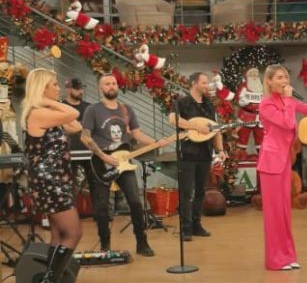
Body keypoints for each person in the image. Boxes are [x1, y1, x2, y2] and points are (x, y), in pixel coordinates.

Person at [257, 65, 307, 271]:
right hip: (271, 163)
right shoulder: (266, 104)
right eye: (279, 78)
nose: (284, 81)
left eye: (286, 77)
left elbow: (305, 108)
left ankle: (287, 256)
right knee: (274, 214)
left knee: (285, 212)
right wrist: (288, 101)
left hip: (284, 161)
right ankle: (275, 260)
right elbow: (286, 123)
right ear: (269, 81)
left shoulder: (287, 100)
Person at [80, 74, 170, 255]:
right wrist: (103, 156)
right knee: (102, 206)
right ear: (100, 88)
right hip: (101, 162)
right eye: (107, 84)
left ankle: (142, 243)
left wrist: (156, 142)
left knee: (136, 202)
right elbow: (85, 137)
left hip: (124, 162)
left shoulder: (126, 110)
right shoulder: (93, 110)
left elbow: (136, 134)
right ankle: (105, 245)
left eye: (114, 83)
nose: (111, 86)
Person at [22, 68, 82, 283]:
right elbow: (75, 112)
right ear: (42, 88)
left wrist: (52, 103)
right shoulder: (38, 113)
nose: (59, 88)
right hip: (50, 181)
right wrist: (49, 102)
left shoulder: (47, 113)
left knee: (58, 234)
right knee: (73, 233)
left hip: (55, 179)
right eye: (54, 84)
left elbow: (75, 126)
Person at [168, 71, 226, 240]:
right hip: (188, 153)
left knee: (201, 190)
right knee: (186, 192)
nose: (207, 85)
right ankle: (185, 228)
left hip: (205, 153)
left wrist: (220, 150)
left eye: (207, 82)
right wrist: (196, 127)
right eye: (203, 82)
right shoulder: (181, 102)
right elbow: (172, 119)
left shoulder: (208, 105)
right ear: (194, 83)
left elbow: (215, 129)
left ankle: (196, 224)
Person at [62, 78, 95, 197]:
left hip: (89, 150)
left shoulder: (89, 107)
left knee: (95, 184)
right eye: (77, 89)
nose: (81, 91)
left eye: (82, 88)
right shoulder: (61, 106)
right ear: (68, 89)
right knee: (70, 187)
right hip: (68, 152)